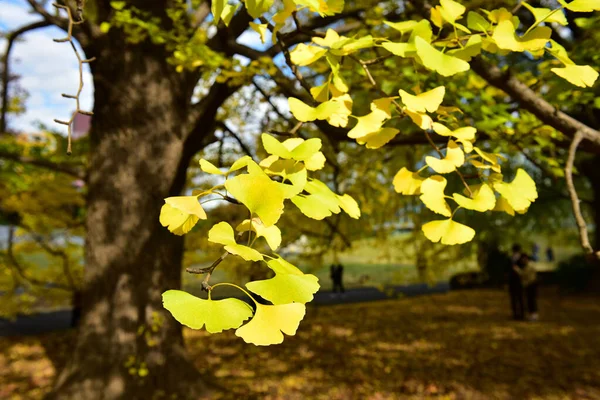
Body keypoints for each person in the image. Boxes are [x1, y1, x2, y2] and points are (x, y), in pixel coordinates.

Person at [515, 254, 539, 321]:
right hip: (529, 285)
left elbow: (524, 274)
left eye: (523, 259)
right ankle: (532, 315)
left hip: (531, 285)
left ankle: (534, 315)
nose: (522, 261)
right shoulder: (528, 265)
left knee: (531, 300)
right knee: (529, 300)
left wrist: (517, 270)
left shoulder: (529, 265)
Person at [508, 244, 525, 320]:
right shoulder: (511, 258)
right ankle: (516, 314)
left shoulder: (522, 259)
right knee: (514, 298)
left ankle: (521, 314)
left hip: (519, 281)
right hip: (513, 281)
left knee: (520, 298)